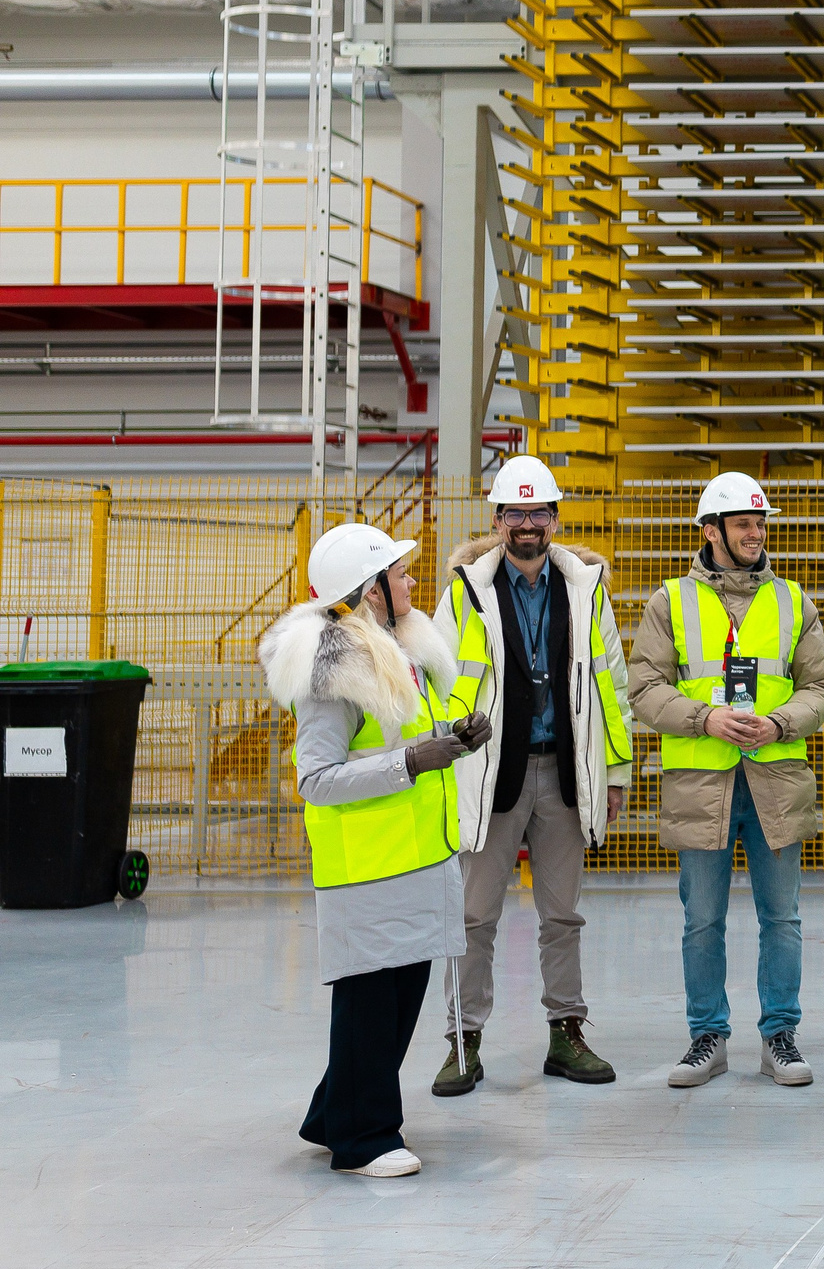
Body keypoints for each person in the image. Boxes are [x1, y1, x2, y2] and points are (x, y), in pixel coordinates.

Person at [262, 521, 486, 1177]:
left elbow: (400, 738)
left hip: (411, 858)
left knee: (398, 1001)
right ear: (369, 590)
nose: (413, 581)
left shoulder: (395, 652)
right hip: (365, 867)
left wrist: (451, 734)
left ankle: (335, 1112)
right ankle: (363, 1138)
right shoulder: (333, 676)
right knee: (368, 1005)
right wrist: (414, 761)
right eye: (399, 573)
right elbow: (317, 779)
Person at [429, 454, 632, 1097]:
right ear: (497, 520)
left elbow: (613, 687)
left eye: (538, 513)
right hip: (490, 775)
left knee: (562, 915)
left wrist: (617, 772)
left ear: (554, 520)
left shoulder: (587, 588)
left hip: (566, 773)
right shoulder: (465, 591)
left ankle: (567, 1032)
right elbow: (437, 684)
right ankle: (463, 1041)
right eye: (514, 514)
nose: (526, 525)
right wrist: (445, 760)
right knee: (472, 916)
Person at [629, 472, 824, 1091]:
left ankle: (780, 1034)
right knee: (702, 920)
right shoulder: (669, 601)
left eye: (761, 523)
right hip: (702, 782)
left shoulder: (794, 601)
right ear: (710, 531)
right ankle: (708, 1037)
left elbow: (821, 688)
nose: (757, 533)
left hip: (776, 777)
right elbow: (643, 689)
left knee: (783, 917)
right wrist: (706, 716)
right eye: (744, 523)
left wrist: (778, 722)